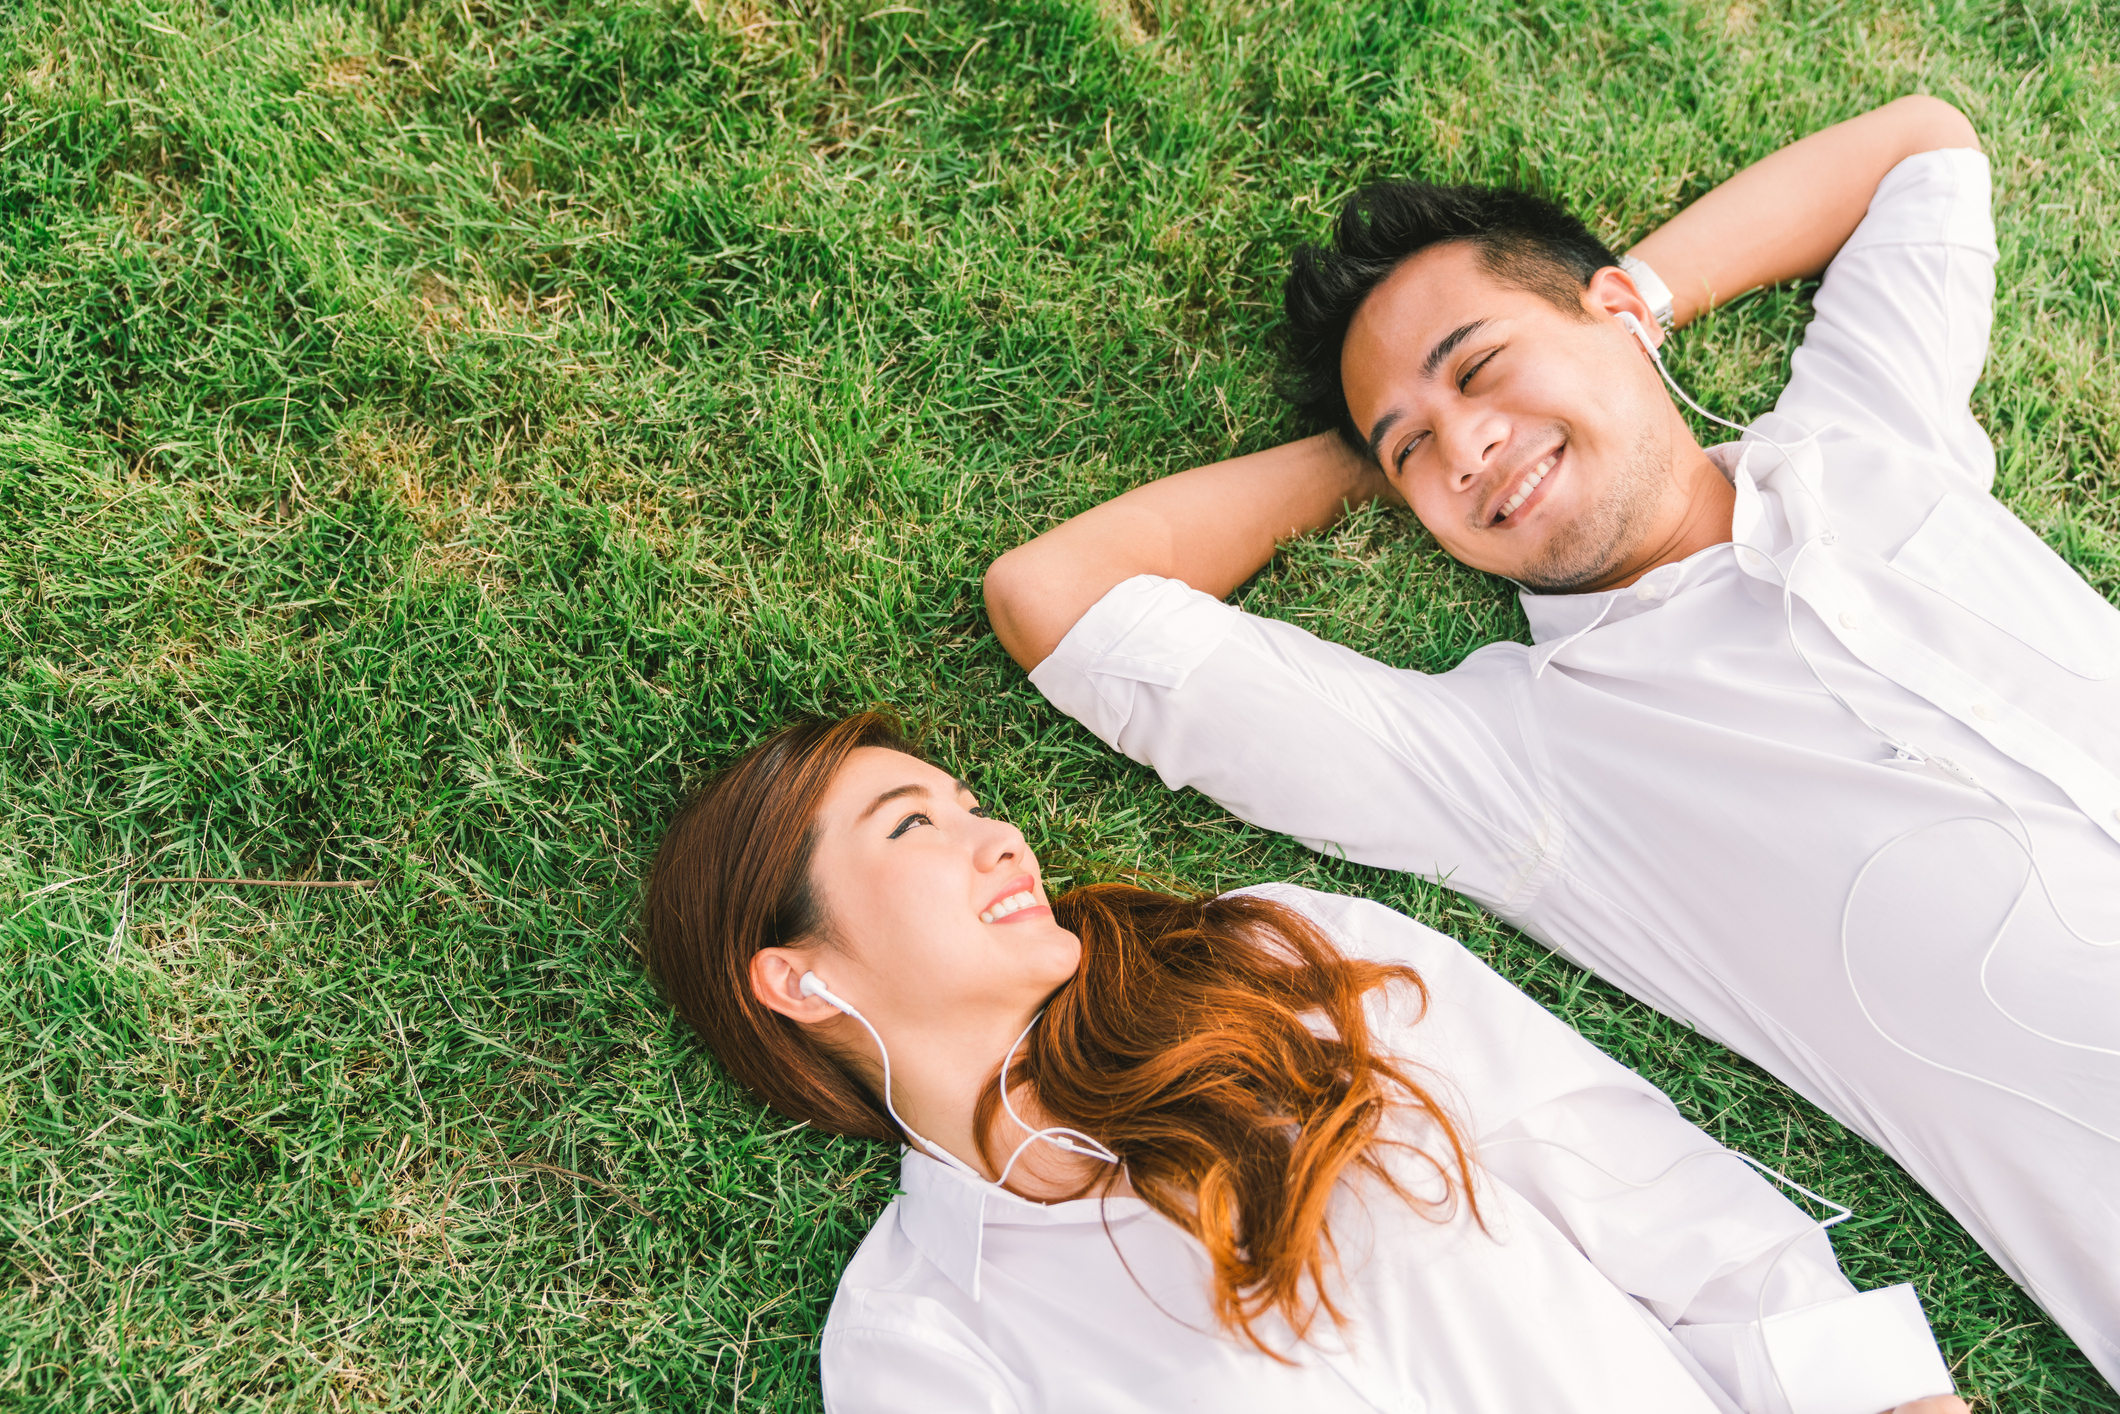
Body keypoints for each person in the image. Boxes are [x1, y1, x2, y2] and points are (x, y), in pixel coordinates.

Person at [980, 93, 2120, 1389]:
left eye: (1480, 367)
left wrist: (1631, 305)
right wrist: (1369, 453)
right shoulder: (1519, 764)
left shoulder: (1871, 444)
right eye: (1413, 448)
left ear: (1616, 311)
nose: (1464, 446)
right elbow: (1057, 597)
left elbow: (1919, 144)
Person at [645, 712, 1967, 1414]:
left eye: (975, 803)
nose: (1000, 839)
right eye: (912, 826)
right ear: (798, 977)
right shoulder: (919, 1339)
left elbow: (1643, 1186)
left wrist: (1895, 1397)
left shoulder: (1271, 959)